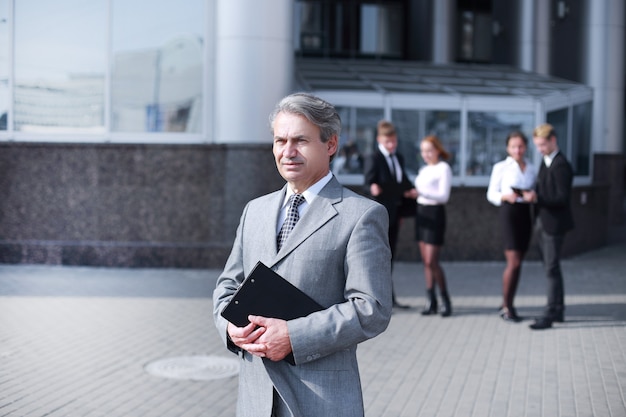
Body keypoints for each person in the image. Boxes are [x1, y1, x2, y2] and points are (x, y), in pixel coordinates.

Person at [213, 92, 393, 417]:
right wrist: (229, 328)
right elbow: (227, 286)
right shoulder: (255, 210)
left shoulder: (362, 215)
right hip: (255, 399)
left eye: (300, 140)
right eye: (280, 140)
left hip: (320, 399)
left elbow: (372, 308)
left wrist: (294, 337)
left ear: (331, 145)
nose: (288, 151)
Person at [522, 123, 574, 330]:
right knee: (550, 268)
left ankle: (550, 313)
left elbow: (561, 197)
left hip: (554, 224)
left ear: (553, 140)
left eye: (543, 144)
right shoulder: (546, 161)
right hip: (543, 221)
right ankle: (558, 310)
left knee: (551, 268)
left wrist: (537, 197)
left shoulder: (561, 165)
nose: (540, 149)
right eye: (537, 145)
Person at [364, 120, 416, 309]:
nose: (392, 145)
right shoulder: (374, 158)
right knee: (379, 256)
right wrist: (372, 187)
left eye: (394, 141)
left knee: (390, 256)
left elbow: (402, 180)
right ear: (380, 140)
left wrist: (410, 190)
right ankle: (378, 298)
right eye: (388, 142)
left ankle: (390, 298)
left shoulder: (398, 158)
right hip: (381, 214)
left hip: (396, 213)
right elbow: (368, 181)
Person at [486, 131, 537, 322]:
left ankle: (506, 300)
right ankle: (508, 307)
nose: (518, 150)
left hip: (525, 214)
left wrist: (532, 195)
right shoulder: (501, 167)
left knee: (519, 262)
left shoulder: (531, 167)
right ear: (508, 148)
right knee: (513, 262)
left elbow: (534, 190)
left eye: (521, 146)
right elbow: (491, 193)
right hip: (509, 212)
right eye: (514, 146)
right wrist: (504, 196)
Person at [414, 135, 453, 317]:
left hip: (435, 213)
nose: (426, 154)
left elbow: (443, 196)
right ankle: (431, 300)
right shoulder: (423, 170)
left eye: (429, 150)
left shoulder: (443, 168)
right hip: (421, 213)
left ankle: (445, 299)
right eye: (423, 151)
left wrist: (421, 192)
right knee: (425, 262)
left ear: (438, 150)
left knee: (432, 261)